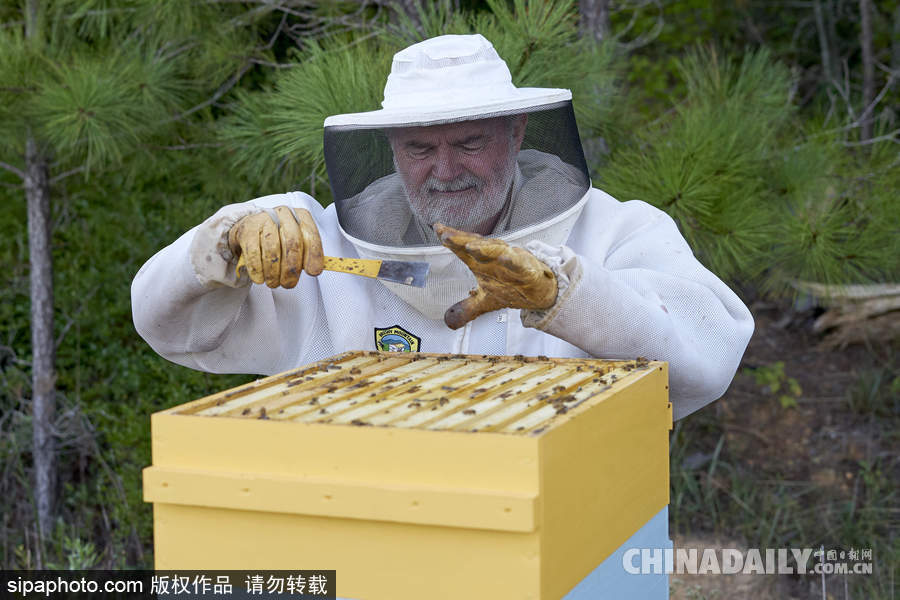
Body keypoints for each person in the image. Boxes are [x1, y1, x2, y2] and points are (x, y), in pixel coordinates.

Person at [131, 34, 754, 420]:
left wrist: (568, 295)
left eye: (470, 142)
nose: (446, 169)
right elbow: (166, 325)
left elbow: (710, 352)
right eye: (420, 149)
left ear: (516, 132)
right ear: (391, 146)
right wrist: (223, 246)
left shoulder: (615, 231)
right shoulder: (329, 250)